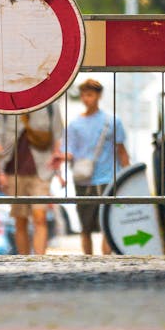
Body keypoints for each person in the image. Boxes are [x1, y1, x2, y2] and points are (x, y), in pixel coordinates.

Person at [63, 78, 129, 256]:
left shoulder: (112, 121)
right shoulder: (74, 124)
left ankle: (105, 260)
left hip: (108, 179)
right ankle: (87, 260)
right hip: (83, 180)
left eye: (90, 95)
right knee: (85, 226)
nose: (86, 99)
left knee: (107, 225)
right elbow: (68, 151)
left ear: (99, 96)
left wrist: (127, 179)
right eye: (84, 95)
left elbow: (122, 151)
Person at [0, 102, 63, 256]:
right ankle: (24, 260)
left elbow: (58, 135)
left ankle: (39, 260)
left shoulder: (50, 105)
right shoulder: (5, 103)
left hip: (42, 170)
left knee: (40, 217)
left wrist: (59, 170)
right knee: (20, 220)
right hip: (13, 171)